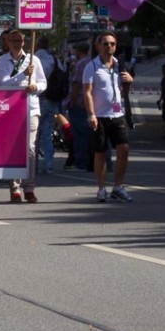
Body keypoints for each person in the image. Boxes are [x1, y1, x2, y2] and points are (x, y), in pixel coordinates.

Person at [0, 29, 46, 203]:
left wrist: (36, 88)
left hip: (30, 107)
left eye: (19, 40)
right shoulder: (1, 61)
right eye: (13, 40)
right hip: (11, 109)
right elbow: (3, 83)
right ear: (7, 42)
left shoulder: (34, 60)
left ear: (24, 42)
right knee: (13, 148)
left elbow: (43, 82)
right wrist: (23, 75)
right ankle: (14, 186)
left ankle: (29, 187)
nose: (17, 43)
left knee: (30, 149)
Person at [83, 32, 134, 203]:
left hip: (117, 114)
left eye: (112, 43)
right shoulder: (92, 66)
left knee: (124, 148)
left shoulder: (119, 65)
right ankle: (101, 188)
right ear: (98, 46)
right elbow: (87, 92)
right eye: (105, 43)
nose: (109, 46)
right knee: (101, 152)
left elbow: (123, 91)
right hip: (100, 116)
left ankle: (118, 187)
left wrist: (129, 81)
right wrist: (91, 114)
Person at [33, 36, 58, 174]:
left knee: (35, 133)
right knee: (47, 134)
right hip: (52, 100)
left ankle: (33, 163)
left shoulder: (33, 60)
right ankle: (48, 164)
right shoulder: (54, 60)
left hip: (38, 99)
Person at [66, 42, 92, 172]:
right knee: (86, 133)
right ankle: (87, 161)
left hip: (79, 102)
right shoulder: (91, 62)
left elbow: (76, 84)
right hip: (88, 103)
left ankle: (80, 162)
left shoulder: (80, 63)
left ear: (78, 50)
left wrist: (72, 101)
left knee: (79, 135)